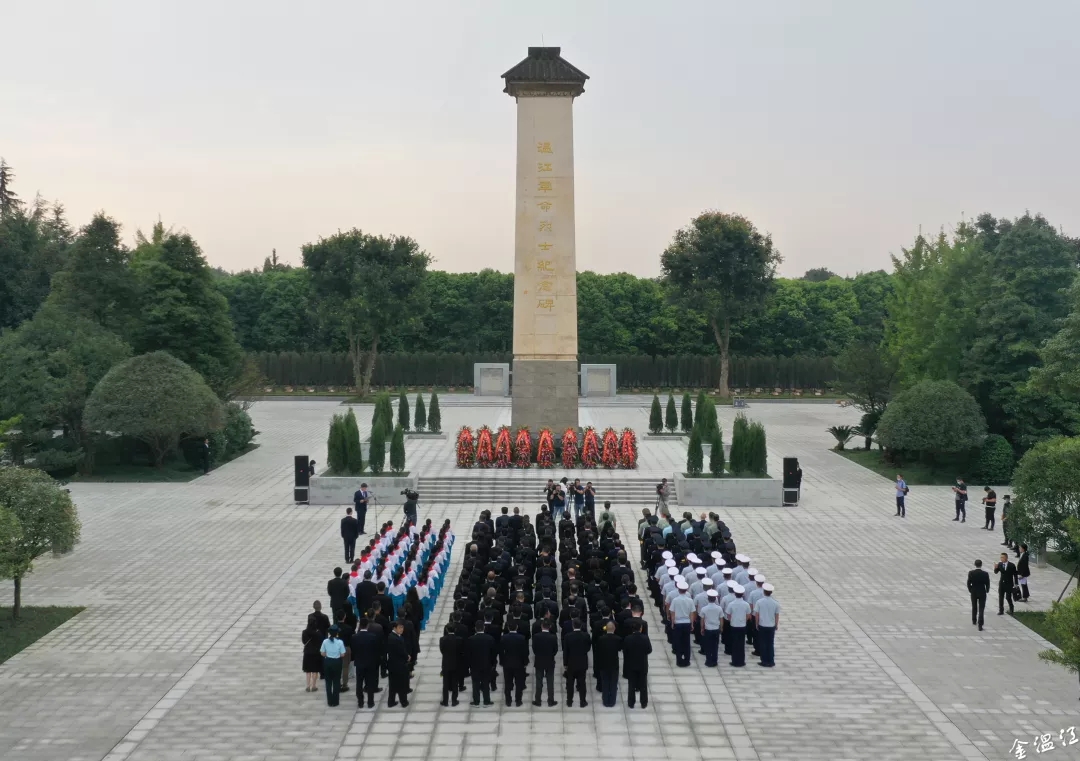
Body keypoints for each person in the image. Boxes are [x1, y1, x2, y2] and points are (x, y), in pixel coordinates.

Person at [351, 618, 381, 708]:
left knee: (359, 683)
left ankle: (360, 702)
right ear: (367, 625)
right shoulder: (372, 637)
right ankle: (370, 702)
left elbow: (353, 650)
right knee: (370, 683)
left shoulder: (354, 637)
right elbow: (376, 651)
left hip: (359, 663)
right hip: (370, 663)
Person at [622, 618, 651, 709]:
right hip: (642, 664)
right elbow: (649, 650)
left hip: (631, 665)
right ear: (641, 629)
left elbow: (625, 651)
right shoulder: (645, 638)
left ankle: (631, 703)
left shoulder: (628, 639)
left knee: (631, 685)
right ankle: (644, 703)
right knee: (643, 685)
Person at [466, 621, 495, 706]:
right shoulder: (490, 639)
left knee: (475, 684)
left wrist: (469, 665)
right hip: (487, 665)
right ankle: (487, 701)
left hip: (474, 666)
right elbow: (493, 653)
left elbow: (468, 654)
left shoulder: (470, 639)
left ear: (475, 628)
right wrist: (492, 664)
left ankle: (476, 702)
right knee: (486, 683)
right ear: (484, 628)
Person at [562, 619, 591, 707]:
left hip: (571, 663)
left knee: (570, 684)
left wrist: (565, 664)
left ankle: (569, 701)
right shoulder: (586, 635)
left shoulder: (568, 636)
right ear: (581, 626)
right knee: (582, 683)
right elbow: (588, 648)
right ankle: (583, 701)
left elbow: (565, 651)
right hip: (582, 663)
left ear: (573, 626)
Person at [499, 623, 529, 707]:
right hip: (519, 664)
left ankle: (508, 701)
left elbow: (501, 652)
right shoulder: (522, 638)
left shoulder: (504, 638)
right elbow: (525, 652)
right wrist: (525, 662)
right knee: (519, 684)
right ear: (517, 627)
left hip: (507, 664)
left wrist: (501, 662)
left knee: (508, 683)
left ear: (508, 628)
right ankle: (518, 701)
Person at [531, 619, 559, 707]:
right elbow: (555, 650)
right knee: (550, 682)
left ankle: (538, 700)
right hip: (550, 661)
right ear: (550, 627)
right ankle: (551, 700)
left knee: (539, 681)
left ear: (541, 626)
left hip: (539, 661)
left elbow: (534, 649)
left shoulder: (536, 636)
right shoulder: (553, 637)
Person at [669, 581, 696, 668]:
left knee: (678, 642)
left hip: (678, 623)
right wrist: (692, 624)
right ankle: (687, 660)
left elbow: (672, 612)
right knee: (686, 642)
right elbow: (692, 613)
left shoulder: (675, 600)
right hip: (687, 623)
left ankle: (679, 661)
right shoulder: (690, 600)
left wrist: (673, 622)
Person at [596, 621, 622, 707]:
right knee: (613, 683)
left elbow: (598, 650)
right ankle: (612, 701)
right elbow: (619, 649)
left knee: (605, 682)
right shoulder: (618, 639)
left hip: (604, 663)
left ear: (606, 629)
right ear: (614, 629)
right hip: (614, 663)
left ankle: (605, 700)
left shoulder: (601, 639)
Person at [753, 583, 780, 667]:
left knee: (763, 643)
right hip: (771, 626)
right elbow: (777, 615)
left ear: (764, 592)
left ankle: (764, 660)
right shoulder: (776, 603)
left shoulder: (759, 602)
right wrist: (776, 624)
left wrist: (756, 624)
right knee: (770, 643)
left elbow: (757, 614)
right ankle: (771, 660)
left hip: (762, 625)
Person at [725, 585, 752, 668]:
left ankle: (735, 661)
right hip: (742, 625)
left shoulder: (731, 604)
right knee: (741, 644)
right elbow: (748, 615)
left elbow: (728, 615)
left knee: (734, 643)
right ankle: (741, 661)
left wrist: (732, 620)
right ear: (742, 594)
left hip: (734, 625)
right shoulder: (746, 604)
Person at [386, 620, 411, 707]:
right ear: (394, 628)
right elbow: (401, 651)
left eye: (402, 627)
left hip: (392, 664)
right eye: (400, 628)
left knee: (392, 684)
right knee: (402, 684)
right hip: (399, 665)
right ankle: (403, 702)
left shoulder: (391, 636)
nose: (402, 629)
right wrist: (407, 657)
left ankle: (391, 701)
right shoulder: (397, 639)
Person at [320, 625, 346, 706]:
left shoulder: (325, 641)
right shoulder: (340, 642)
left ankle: (329, 701)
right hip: (337, 662)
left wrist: (328, 654)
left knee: (328, 682)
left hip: (327, 661)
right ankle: (335, 701)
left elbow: (322, 653)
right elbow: (342, 654)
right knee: (336, 681)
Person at [439, 624, 463, 706]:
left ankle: (445, 701)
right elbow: (461, 652)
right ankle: (454, 700)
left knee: (445, 684)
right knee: (455, 683)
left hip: (446, 664)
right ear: (455, 630)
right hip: (456, 663)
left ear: (446, 630)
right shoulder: (459, 639)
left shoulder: (442, 639)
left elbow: (442, 650)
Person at [699, 589, 724, 667]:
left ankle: (708, 661)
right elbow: (721, 619)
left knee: (708, 646)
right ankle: (714, 661)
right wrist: (721, 628)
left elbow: (702, 620)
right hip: (716, 629)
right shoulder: (719, 608)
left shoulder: (704, 609)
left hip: (708, 629)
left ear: (708, 598)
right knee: (715, 646)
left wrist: (702, 628)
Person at [967, 559, 991, 631]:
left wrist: (970, 590)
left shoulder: (971, 573)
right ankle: (980, 624)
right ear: (981, 565)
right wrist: (987, 590)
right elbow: (987, 583)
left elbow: (968, 582)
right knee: (981, 608)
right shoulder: (985, 574)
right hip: (982, 591)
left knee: (974, 606)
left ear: (975, 564)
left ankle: (974, 620)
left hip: (974, 591)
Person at [301, 621, 325, 692]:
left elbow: (304, 642)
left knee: (308, 671)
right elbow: (321, 642)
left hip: (307, 652)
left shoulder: (304, 632)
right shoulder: (318, 633)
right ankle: (314, 686)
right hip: (316, 653)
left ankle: (308, 686)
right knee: (315, 670)